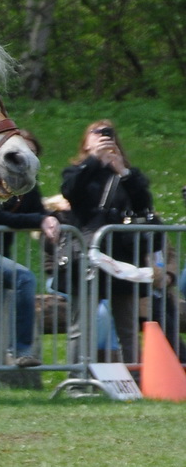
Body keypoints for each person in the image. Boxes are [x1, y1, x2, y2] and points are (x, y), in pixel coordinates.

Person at [0, 139, 59, 398]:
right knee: (24, 278)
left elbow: (36, 212)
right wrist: (39, 219)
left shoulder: (28, 187)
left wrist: (46, 218)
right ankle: (20, 349)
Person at [61, 119, 156, 364]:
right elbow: (70, 191)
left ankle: (133, 376)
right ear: (85, 142)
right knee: (82, 324)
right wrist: (94, 160)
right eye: (96, 133)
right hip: (88, 256)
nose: (103, 137)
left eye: (108, 133)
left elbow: (144, 204)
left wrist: (123, 171)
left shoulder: (128, 174)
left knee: (127, 325)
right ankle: (79, 375)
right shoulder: (77, 170)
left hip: (122, 257)